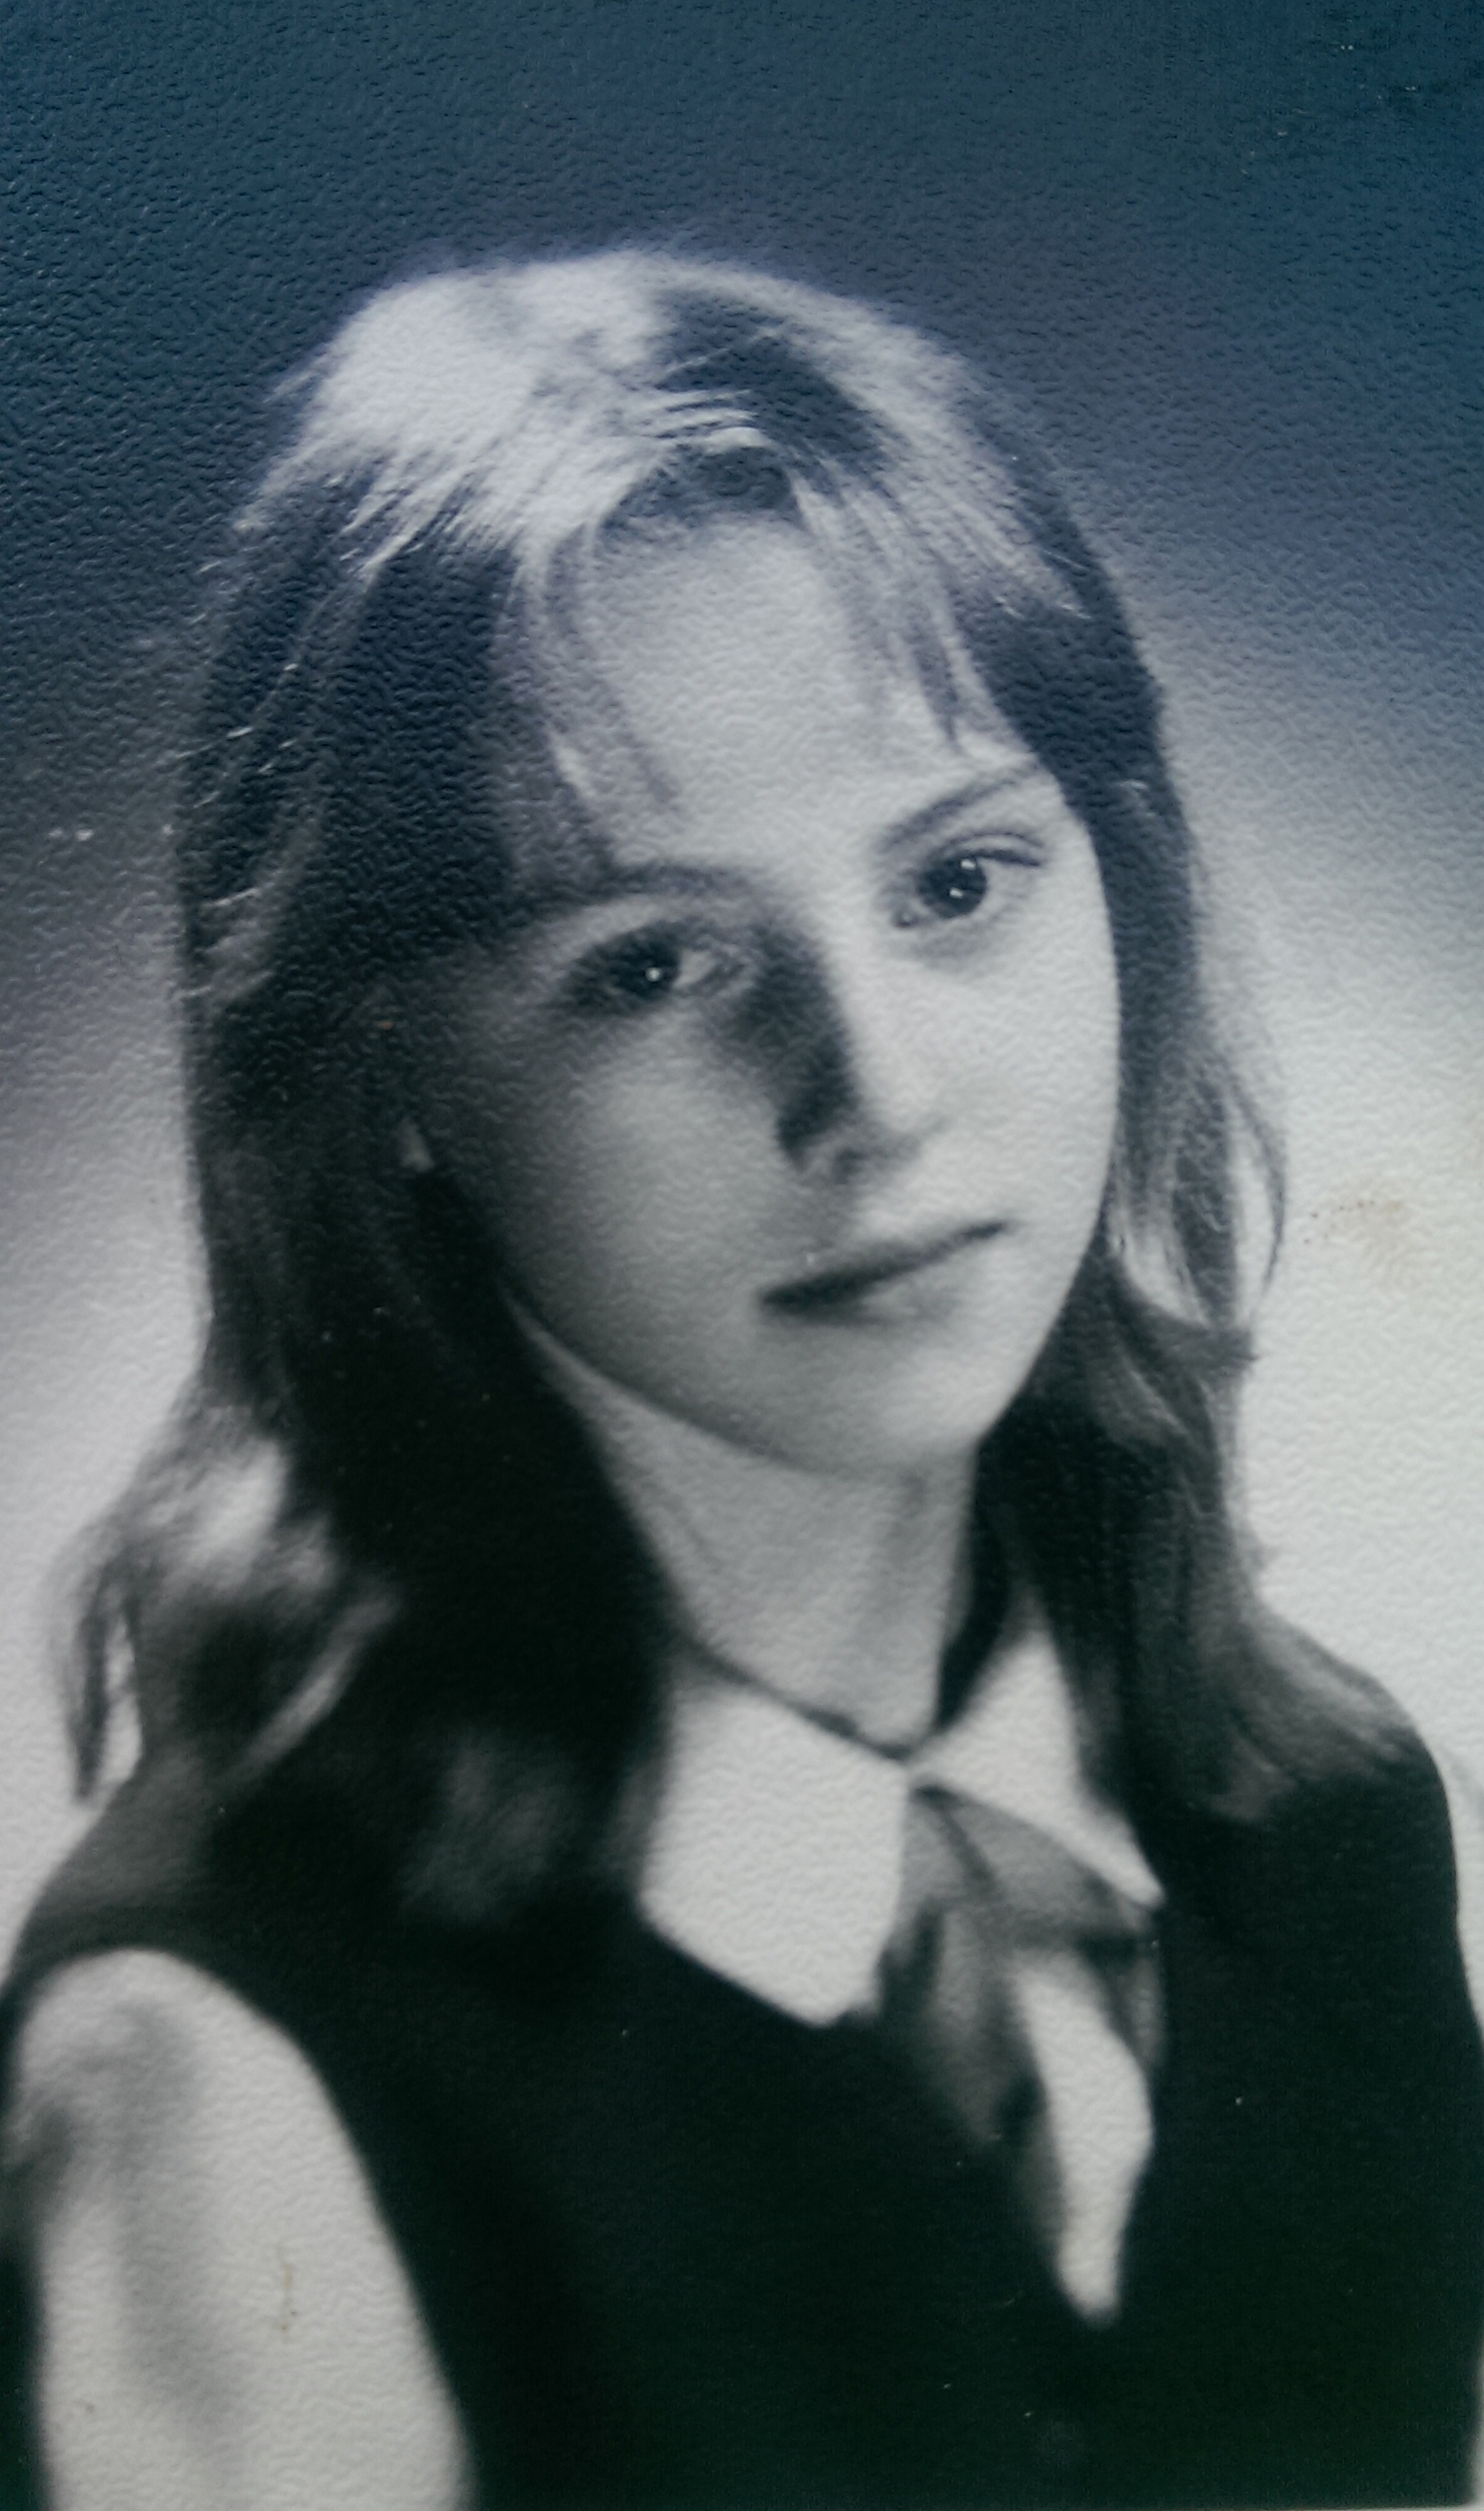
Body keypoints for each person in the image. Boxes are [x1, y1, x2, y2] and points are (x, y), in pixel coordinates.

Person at [1, 248, 1481, 2511]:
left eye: (958, 881)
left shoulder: (1327, 1831)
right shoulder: (227, 2055)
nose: (876, 1096)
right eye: (651, 962)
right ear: (382, 1076)